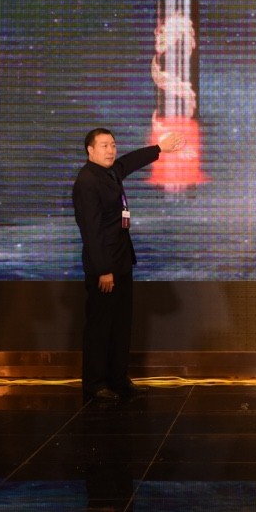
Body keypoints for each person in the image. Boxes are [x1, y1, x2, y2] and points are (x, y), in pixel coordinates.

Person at [72, 127, 184, 402]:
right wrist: (104, 270)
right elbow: (91, 231)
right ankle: (95, 384)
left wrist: (159, 149)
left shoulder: (110, 172)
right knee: (100, 327)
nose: (111, 150)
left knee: (120, 325)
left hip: (121, 261)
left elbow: (128, 162)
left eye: (113, 145)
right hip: (105, 267)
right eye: (104, 146)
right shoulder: (87, 181)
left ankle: (118, 380)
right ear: (90, 150)